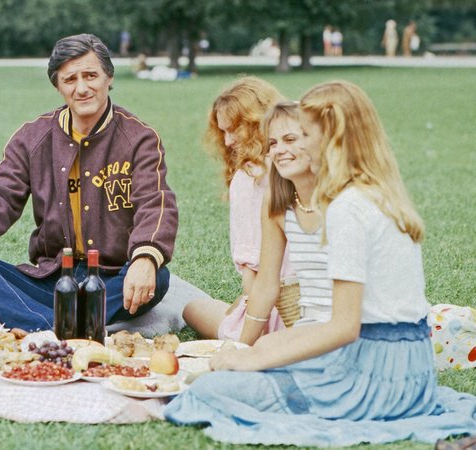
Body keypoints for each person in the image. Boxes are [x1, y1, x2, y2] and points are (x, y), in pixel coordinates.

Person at [164, 81, 476, 446]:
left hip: (368, 374)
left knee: (209, 391)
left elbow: (344, 327)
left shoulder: (347, 207)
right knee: (246, 364)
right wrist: (258, 349)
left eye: (302, 134)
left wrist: (252, 359)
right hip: (405, 371)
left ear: (332, 137)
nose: (283, 147)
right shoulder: (372, 194)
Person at [0, 33, 178, 332]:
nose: (82, 88)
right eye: (70, 79)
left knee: (158, 276)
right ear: (58, 86)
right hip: (51, 280)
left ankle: (40, 325)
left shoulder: (139, 139)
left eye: (91, 75)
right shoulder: (32, 138)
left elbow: (155, 203)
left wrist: (145, 258)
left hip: (110, 280)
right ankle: (62, 326)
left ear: (109, 77)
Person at [182, 77, 292, 344]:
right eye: (223, 132)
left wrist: (246, 335)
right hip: (320, 308)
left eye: (234, 130)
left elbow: (253, 274)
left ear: (257, 123)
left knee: (192, 309)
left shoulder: (249, 178)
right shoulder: (304, 164)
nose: (228, 142)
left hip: (276, 314)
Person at [237, 101, 326, 345]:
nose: (279, 150)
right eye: (273, 143)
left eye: (290, 139)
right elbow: (266, 285)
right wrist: (241, 348)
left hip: (351, 330)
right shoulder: (277, 202)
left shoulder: (343, 199)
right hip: (308, 329)